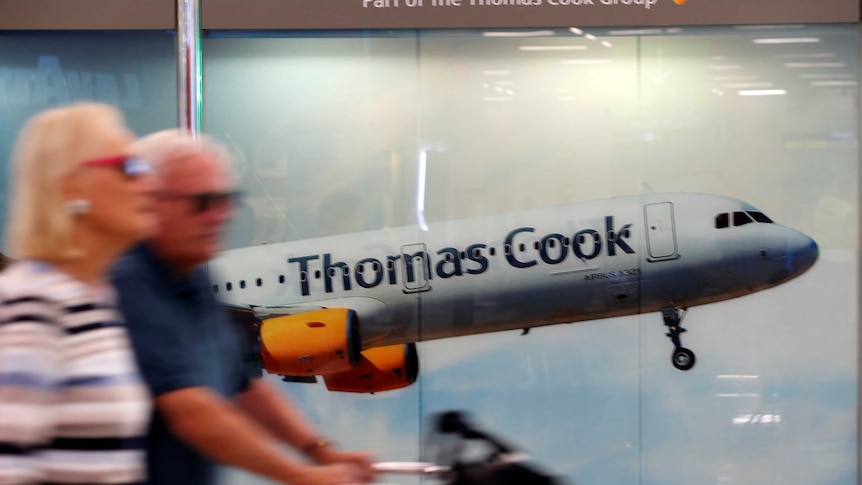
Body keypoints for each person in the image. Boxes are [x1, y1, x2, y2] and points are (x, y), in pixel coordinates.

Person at [110, 130, 377, 485]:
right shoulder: (127, 283)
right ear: (153, 201)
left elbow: (243, 385)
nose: (221, 214)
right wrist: (299, 475)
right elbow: (191, 412)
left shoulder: (192, 275)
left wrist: (319, 450)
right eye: (203, 202)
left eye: (227, 199)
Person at [0, 103, 159, 483]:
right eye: (128, 167)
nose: (148, 183)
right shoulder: (35, 304)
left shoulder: (90, 299)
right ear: (73, 185)